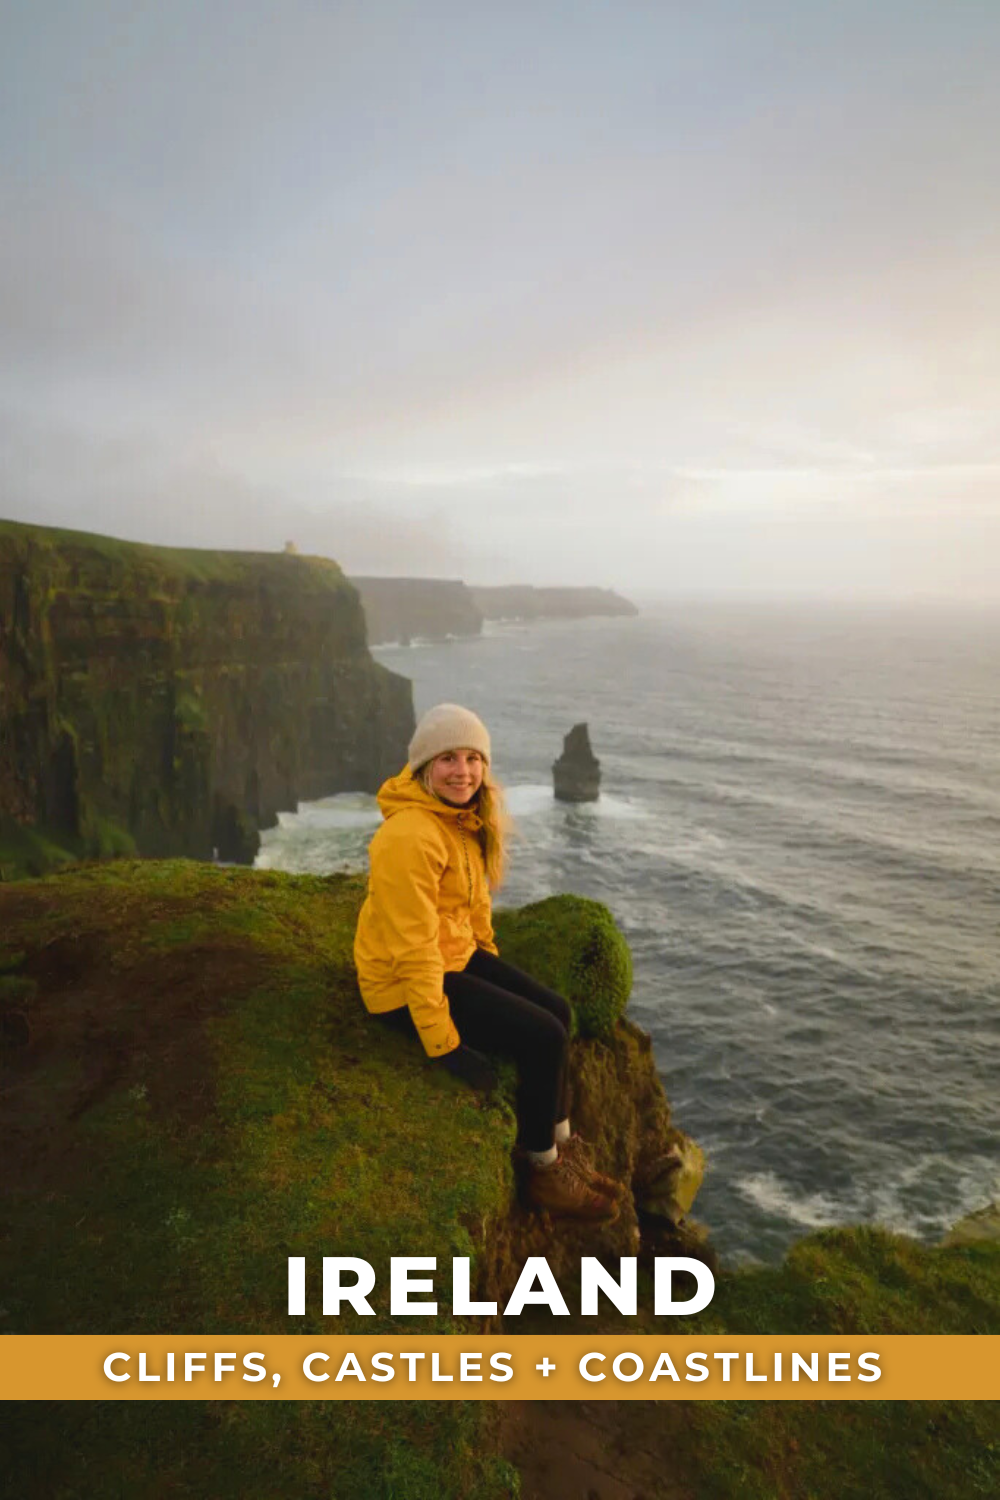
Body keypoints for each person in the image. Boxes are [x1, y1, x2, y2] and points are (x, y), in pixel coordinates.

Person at [354, 703, 625, 1221]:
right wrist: (444, 1045)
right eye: (448, 759)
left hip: (453, 956)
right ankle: (543, 1170)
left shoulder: (461, 819)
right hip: (400, 985)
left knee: (558, 1013)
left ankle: (562, 1143)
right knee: (544, 1037)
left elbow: (473, 907)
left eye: (473, 758)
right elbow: (413, 949)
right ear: (424, 766)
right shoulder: (409, 836)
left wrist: (495, 975)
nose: (463, 771)